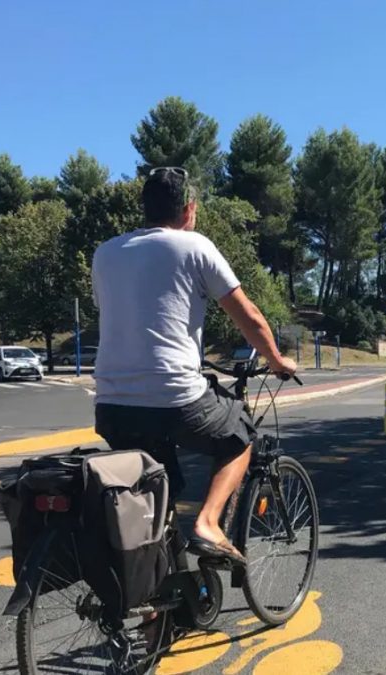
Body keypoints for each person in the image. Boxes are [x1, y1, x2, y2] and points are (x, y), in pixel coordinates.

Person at [91, 166, 297, 566]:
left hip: (112, 405)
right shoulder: (194, 246)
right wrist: (276, 360)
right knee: (240, 437)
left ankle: (159, 608)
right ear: (188, 209)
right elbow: (249, 316)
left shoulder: (106, 253)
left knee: (156, 497)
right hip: (174, 398)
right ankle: (207, 523)